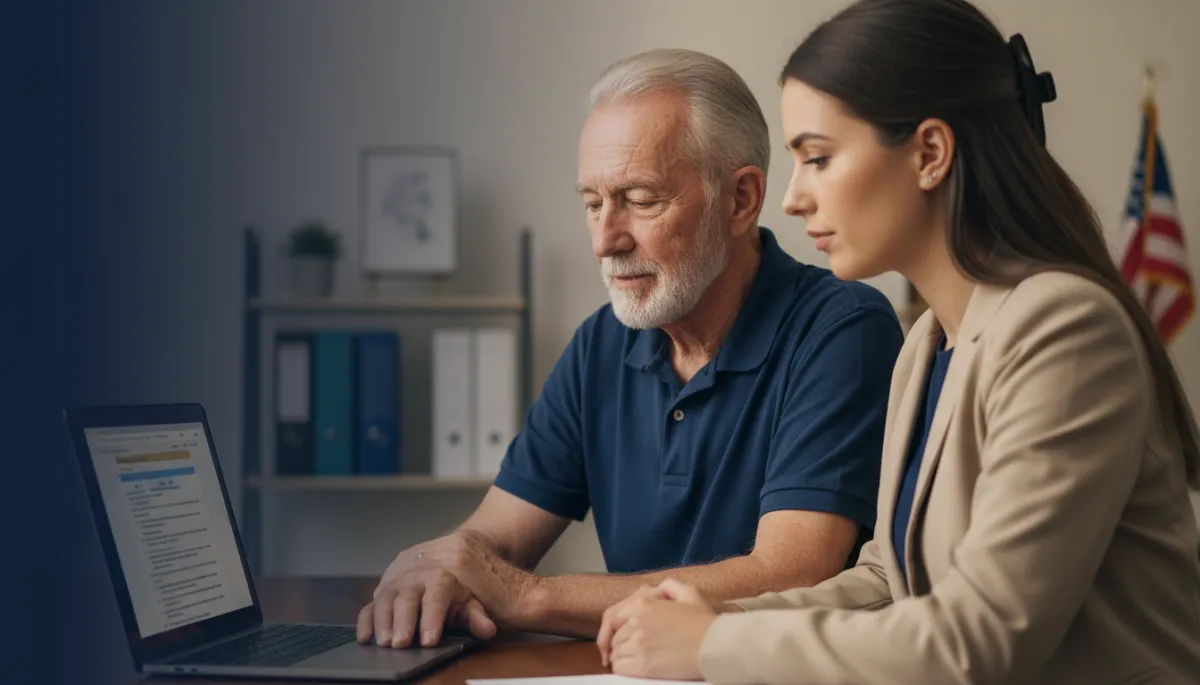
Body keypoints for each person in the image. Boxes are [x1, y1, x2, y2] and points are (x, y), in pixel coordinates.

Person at [595, 2, 1200, 684]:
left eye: (817, 157)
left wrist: (709, 648)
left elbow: (979, 640)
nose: (791, 198)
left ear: (931, 153)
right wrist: (718, 617)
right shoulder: (925, 345)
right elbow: (889, 577)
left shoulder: (1065, 328)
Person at [355, 48, 904, 649]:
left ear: (740, 199)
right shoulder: (601, 342)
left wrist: (530, 596)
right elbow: (499, 540)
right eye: (592, 204)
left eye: (640, 200)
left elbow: (792, 572)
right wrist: (438, 572)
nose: (604, 241)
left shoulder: (842, 329)